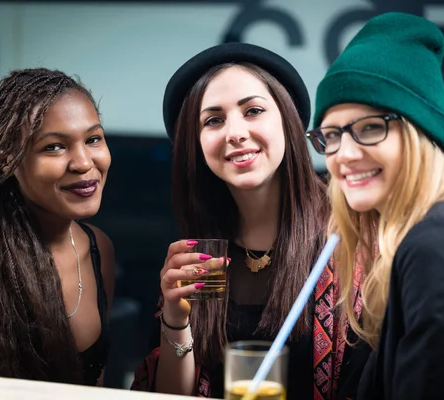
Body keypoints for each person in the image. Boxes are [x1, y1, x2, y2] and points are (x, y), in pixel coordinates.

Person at [131, 42, 371, 399]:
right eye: (213, 120)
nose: (235, 133)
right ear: (195, 144)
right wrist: (176, 319)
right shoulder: (202, 250)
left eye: (253, 110)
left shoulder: (350, 234)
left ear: (287, 120)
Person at [308, 12, 444, 400]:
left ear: (420, 134)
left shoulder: (441, 245)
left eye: (371, 127)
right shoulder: (433, 231)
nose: (344, 153)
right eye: (331, 135)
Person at [0, 68, 115, 386]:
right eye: (54, 147)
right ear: (8, 160)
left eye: (93, 139)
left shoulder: (99, 248)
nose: (84, 162)